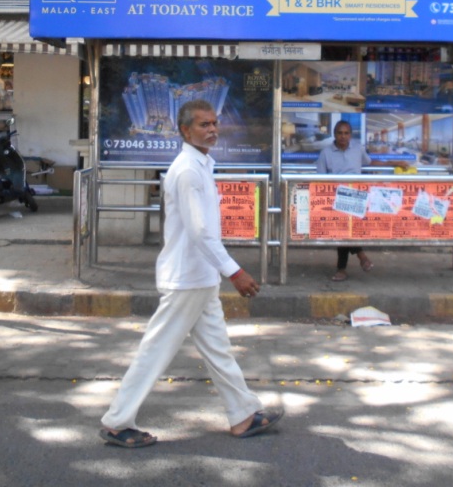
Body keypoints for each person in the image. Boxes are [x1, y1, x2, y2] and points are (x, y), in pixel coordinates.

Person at [100, 100, 283, 449]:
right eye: (203, 125)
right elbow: (200, 233)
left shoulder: (201, 166)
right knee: (155, 351)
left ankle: (242, 414)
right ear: (185, 131)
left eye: (214, 123)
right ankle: (116, 422)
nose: (212, 130)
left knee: (218, 350)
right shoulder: (187, 171)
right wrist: (236, 272)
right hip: (186, 278)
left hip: (200, 278)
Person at [315, 120, 374, 282]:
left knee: (347, 231)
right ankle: (360, 257)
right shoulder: (326, 153)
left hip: (356, 195)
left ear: (350, 135)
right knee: (342, 231)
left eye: (346, 133)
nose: (343, 136)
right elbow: (320, 179)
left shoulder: (357, 149)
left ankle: (344, 268)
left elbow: (369, 163)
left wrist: (396, 163)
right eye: (340, 133)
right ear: (334, 134)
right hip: (336, 197)